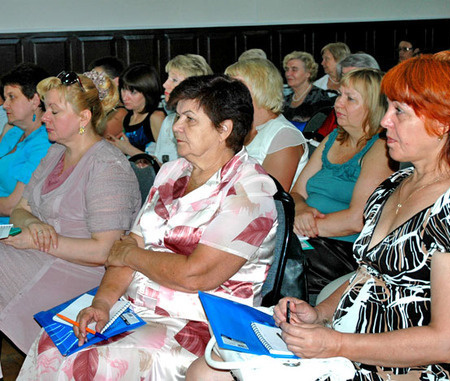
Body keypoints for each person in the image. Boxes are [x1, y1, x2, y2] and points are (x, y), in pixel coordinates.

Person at [18, 75, 278, 380]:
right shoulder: (172, 173)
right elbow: (124, 248)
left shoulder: (249, 192)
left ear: (224, 129)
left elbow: (197, 274)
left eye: (189, 119)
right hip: (135, 309)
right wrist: (101, 304)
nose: (176, 126)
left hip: (199, 325)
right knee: (52, 342)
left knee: (86, 361)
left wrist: (133, 256)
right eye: (177, 116)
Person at [271, 52, 450, 381]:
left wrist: (335, 344)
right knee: (214, 367)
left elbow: (448, 342)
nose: (384, 121)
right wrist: (318, 314)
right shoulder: (394, 185)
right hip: (345, 352)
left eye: (400, 112)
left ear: (442, 123)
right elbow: (367, 274)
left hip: (404, 371)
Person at [0, 70, 141, 359]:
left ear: (83, 118)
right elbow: (19, 210)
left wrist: (38, 240)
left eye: (54, 111)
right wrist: (33, 224)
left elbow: (106, 251)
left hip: (81, 275)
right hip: (46, 257)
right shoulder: (55, 153)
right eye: (46, 109)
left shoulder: (108, 167)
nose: (44, 118)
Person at [290, 68, 394, 297]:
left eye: (350, 99)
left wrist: (300, 227)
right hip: (309, 238)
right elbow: (296, 192)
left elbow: (357, 220)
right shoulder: (333, 138)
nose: (338, 104)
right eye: (339, 95)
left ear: (373, 107)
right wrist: (302, 210)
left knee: (274, 262)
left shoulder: (380, 148)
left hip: (342, 249)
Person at [109, 54, 213, 163]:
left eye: (174, 80)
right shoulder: (169, 121)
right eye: (168, 78)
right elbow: (161, 164)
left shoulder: (204, 122)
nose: (165, 84)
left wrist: (128, 149)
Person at [226, 58, 308, 190]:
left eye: (237, 85)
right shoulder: (237, 126)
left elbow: (269, 196)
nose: (229, 93)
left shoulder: (284, 135)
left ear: (261, 87)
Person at [0, 63, 51, 224]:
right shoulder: (15, 131)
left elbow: (12, 205)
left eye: (12, 97)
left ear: (35, 100)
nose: (4, 105)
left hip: (14, 225)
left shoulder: (45, 143)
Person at [314, 53, 381, 140]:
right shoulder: (339, 108)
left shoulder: (384, 132)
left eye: (354, 75)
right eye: (343, 75)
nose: (346, 80)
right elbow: (319, 137)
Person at [113, 62, 165, 153]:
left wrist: (127, 149)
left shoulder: (156, 117)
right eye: (123, 89)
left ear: (147, 92)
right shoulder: (128, 117)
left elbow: (167, 158)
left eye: (133, 92)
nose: (125, 97)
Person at [282, 51, 334, 127]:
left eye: (294, 69)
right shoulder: (285, 100)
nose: (288, 74)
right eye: (287, 69)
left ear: (308, 73)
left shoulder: (319, 97)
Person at [88, 56, 127, 137]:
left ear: (116, 82)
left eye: (98, 78)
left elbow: (93, 140)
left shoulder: (120, 113)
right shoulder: (96, 107)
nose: (92, 83)